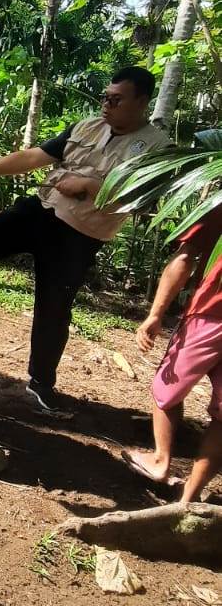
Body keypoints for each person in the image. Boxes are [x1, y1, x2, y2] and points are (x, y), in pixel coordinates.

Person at [0, 66, 170, 414]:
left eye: (115, 100)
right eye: (105, 97)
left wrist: (91, 187)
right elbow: (34, 157)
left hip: (78, 236)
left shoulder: (158, 147)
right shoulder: (88, 126)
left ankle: (40, 387)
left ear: (141, 102)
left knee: (53, 309)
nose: (106, 105)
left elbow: (145, 198)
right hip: (39, 212)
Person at [122, 205, 222, 502]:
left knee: (166, 388)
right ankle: (189, 496)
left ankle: (160, 460)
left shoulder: (218, 206)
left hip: (210, 314)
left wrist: (155, 314)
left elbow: (184, 258)